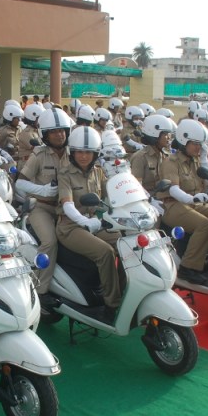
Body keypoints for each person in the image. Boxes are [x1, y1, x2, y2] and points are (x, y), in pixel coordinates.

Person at [56, 125, 120, 321]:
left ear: (96, 153)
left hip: (94, 223)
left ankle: (123, 289)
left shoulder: (98, 173)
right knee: (105, 252)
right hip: (70, 227)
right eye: (79, 152)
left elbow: (112, 195)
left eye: (88, 152)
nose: (84, 156)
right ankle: (112, 304)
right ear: (72, 153)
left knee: (125, 242)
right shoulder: (65, 173)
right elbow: (67, 205)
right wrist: (84, 221)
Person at [16, 107, 70, 307]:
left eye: (63, 130)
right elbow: (19, 183)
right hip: (41, 207)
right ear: (45, 134)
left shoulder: (73, 154)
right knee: (49, 242)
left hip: (66, 207)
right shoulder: (39, 154)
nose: (60, 134)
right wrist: (43, 190)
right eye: (55, 131)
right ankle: (40, 291)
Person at [159, 120, 208, 285]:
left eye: (200, 145)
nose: (198, 148)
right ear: (184, 140)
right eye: (195, 144)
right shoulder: (171, 161)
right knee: (204, 225)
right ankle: (188, 268)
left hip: (193, 203)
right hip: (173, 205)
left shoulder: (196, 160)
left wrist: (205, 158)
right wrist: (190, 198)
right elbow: (173, 189)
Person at [131, 114, 174, 194]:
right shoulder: (140, 157)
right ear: (154, 134)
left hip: (163, 197)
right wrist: (152, 200)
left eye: (169, 134)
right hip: (147, 199)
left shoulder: (166, 155)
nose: (169, 138)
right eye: (165, 134)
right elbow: (136, 187)